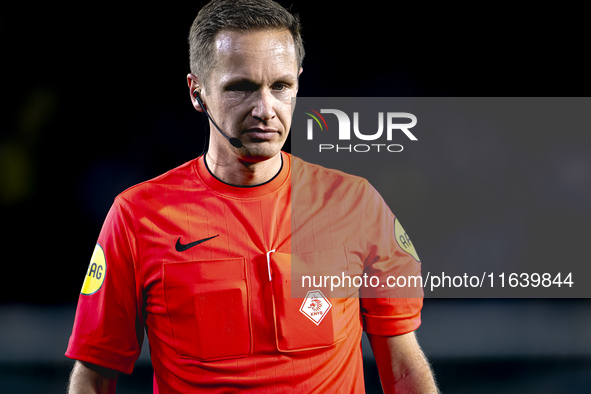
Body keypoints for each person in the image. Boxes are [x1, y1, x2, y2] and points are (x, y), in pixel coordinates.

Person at [66, 1, 439, 393]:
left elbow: (402, 368)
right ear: (198, 93)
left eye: (281, 86)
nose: (265, 109)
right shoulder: (137, 217)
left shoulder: (355, 203)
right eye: (241, 88)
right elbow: (94, 375)